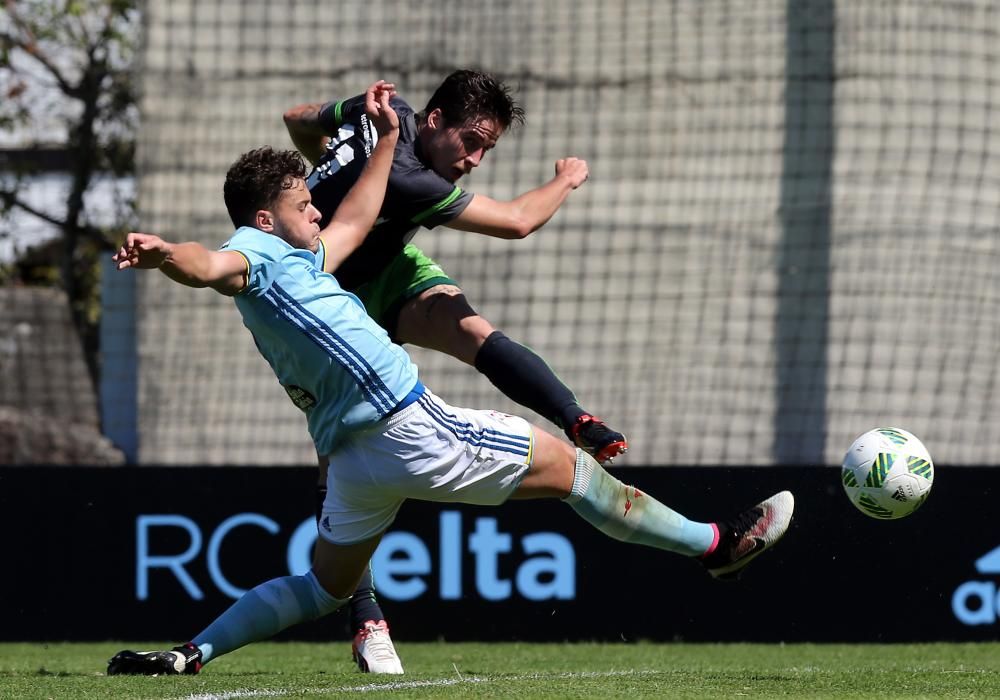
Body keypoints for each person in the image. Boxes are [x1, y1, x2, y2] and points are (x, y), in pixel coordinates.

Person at [105, 137, 795, 678]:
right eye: (299, 202)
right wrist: (167, 253)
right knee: (577, 473)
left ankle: (190, 654)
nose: (314, 207)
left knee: (323, 587)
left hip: (353, 461)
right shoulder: (251, 251)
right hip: (409, 428)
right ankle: (715, 547)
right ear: (264, 219)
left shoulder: (303, 260)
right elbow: (208, 264)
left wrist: (381, 144)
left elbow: (355, 216)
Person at [283, 70, 627, 665]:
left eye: (487, 148)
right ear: (436, 122)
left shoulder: (386, 116)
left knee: (470, 327)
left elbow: (295, 119)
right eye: (471, 141)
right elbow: (518, 222)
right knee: (336, 459)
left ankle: (575, 418)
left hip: (387, 263)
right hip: (326, 304)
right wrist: (565, 179)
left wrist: (336, 153)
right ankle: (366, 620)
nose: (474, 159)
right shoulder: (410, 178)